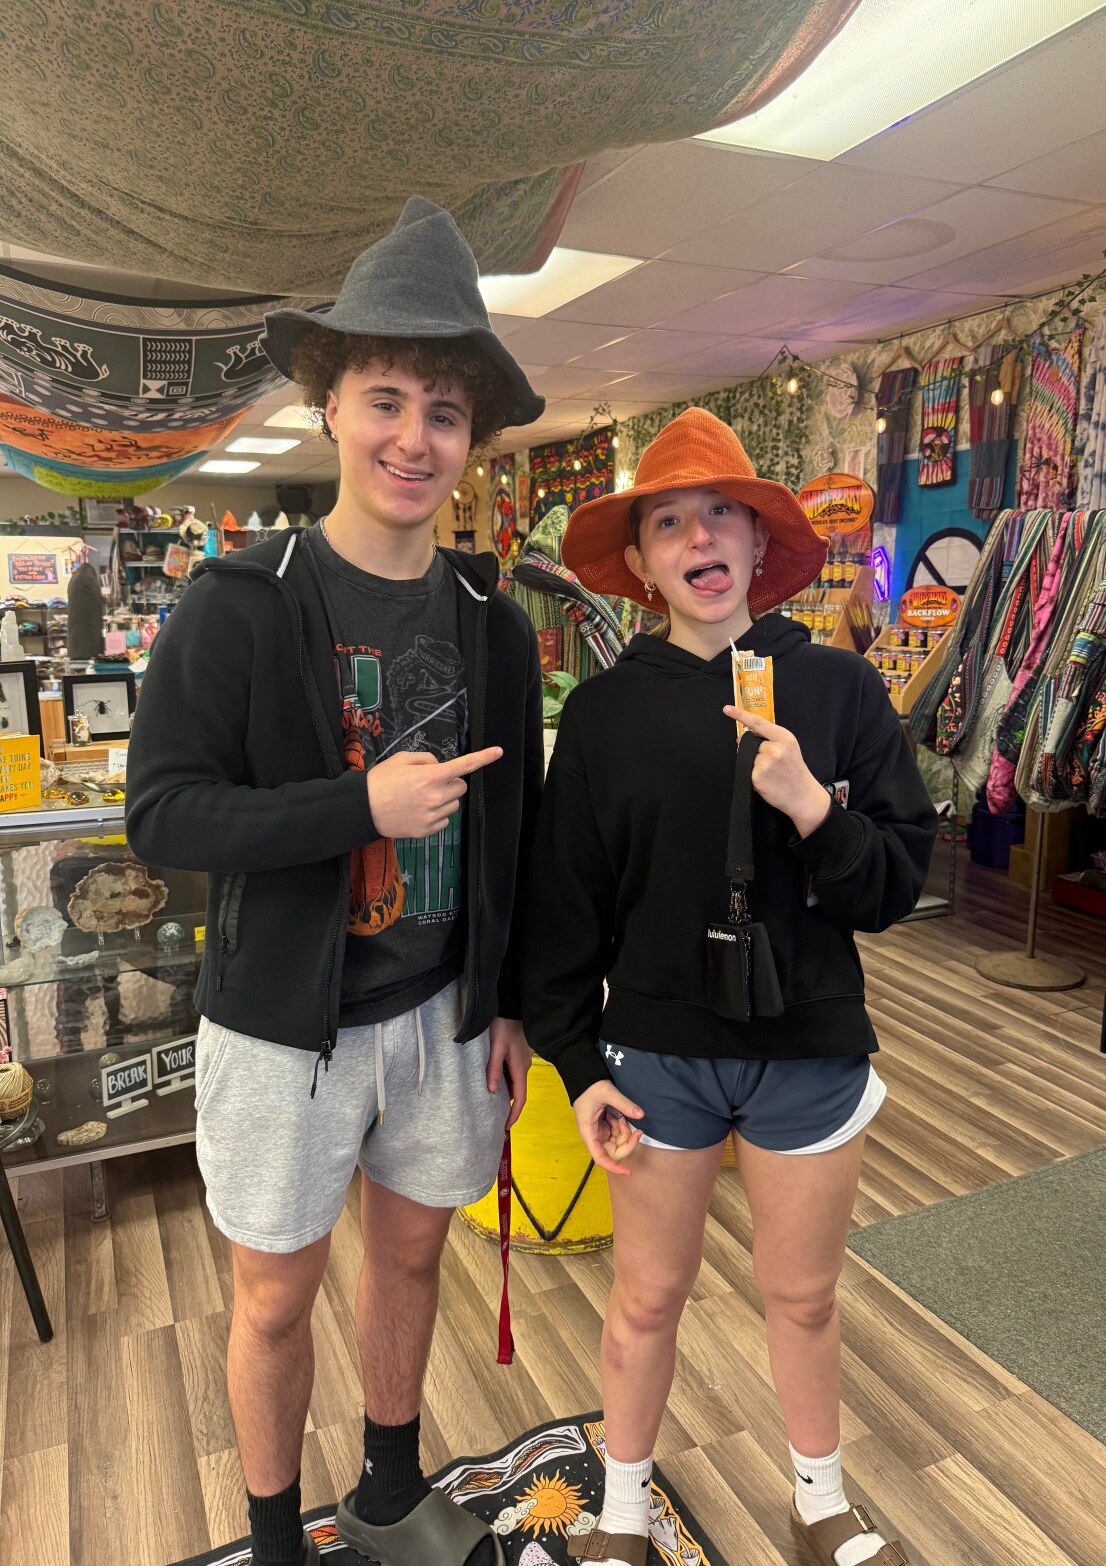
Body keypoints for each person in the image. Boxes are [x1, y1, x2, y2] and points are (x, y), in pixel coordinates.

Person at [127, 197, 545, 1566]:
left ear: (471, 436)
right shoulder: (238, 603)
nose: (414, 438)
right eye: (387, 400)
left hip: (442, 1018)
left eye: (445, 411)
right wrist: (356, 806)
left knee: (413, 1256)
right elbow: (163, 815)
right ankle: (273, 1541)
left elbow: (518, 831)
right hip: (279, 1029)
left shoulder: (493, 624)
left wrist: (510, 999)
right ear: (330, 406)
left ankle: (386, 1489)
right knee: (271, 1298)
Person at [523, 408, 938, 1566]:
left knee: (803, 1295)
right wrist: (575, 1063)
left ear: (759, 544)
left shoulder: (842, 691)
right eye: (669, 521)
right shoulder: (605, 714)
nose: (699, 537)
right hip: (660, 1051)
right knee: (646, 1295)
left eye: (722, 514)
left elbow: (894, 884)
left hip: (809, 1044)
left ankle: (819, 1499)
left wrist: (812, 808)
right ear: (643, 560)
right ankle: (620, 1513)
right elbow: (566, 906)